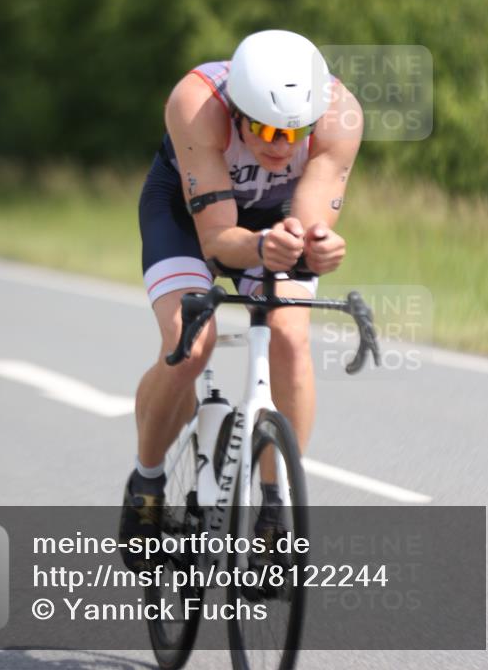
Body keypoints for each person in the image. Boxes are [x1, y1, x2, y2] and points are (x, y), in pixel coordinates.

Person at [119, 29, 363, 566]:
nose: (280, 145)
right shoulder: (197, 103)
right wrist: (261, 245)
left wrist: (317, 247)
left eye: (294, 132)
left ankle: (275, 510)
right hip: (188, 218)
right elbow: (217, 242)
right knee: (192, 343)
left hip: (271, 220)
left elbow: (308, 221)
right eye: (267, 129)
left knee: (290, 338)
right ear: (236, 111)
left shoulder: (339, 115)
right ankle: (148, 481)